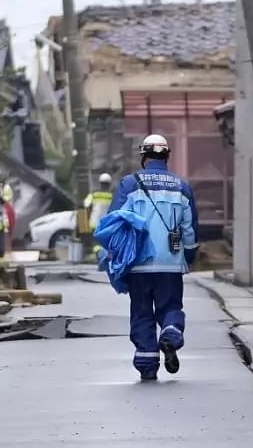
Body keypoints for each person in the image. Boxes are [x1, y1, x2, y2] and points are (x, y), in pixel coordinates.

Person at [107, 134, 199, 381]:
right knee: (170, 306)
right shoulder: (182, 187)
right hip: (170, 262)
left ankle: (147, 364)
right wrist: (188, 256)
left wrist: (114, 258)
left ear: (143, 157)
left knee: (142, 312)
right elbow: (189, 230)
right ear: (167, 156)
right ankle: (170, 334)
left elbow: (115, 221)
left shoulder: (129, 184)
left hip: (138, 262)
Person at [84, 173, 115, 255]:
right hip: (107, 223)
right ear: (109, 184)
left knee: (96, 242)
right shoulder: (112, 195)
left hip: (94, 222)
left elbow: (86, 204)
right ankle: (105, 255)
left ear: (100, 183)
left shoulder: (94, 194)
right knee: (106, 241)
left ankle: (98, 254)